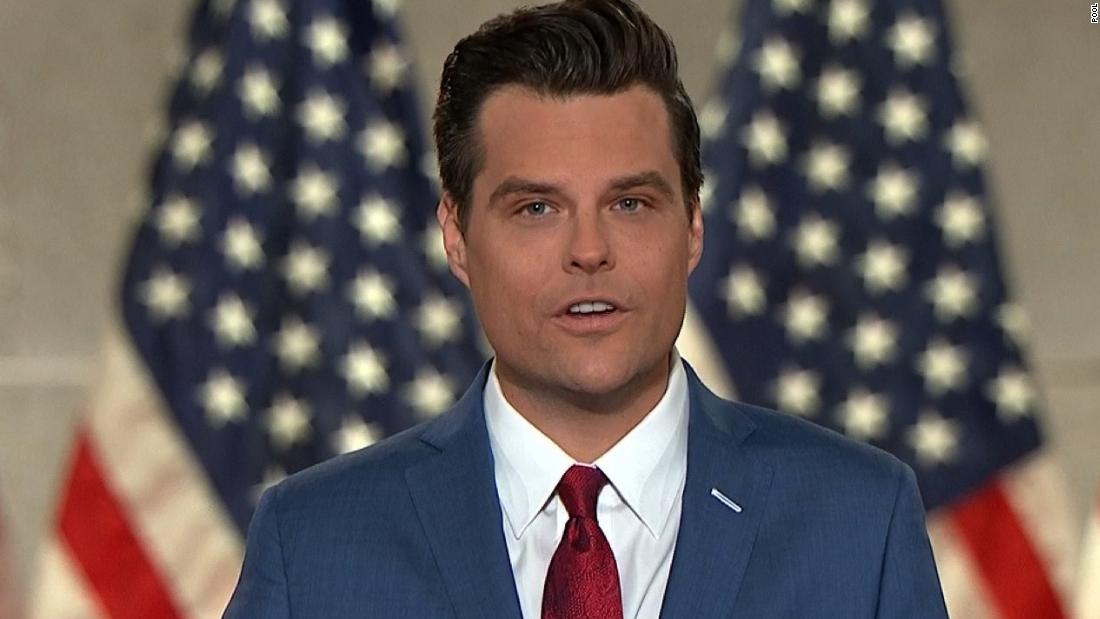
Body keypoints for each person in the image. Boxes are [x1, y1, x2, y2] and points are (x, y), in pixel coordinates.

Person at [224, 1, 948, 617]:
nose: (590, 250)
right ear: (457, 238)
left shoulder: (860, 525)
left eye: (630, 203)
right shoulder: (314, 543)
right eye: (537, 208)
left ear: (693, 227)